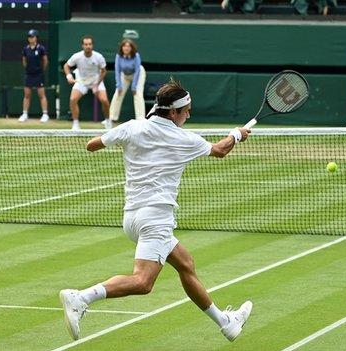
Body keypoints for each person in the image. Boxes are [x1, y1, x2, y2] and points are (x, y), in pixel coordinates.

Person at [59, 78, 253, 342]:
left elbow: (92, 145)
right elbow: (220, 150)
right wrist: (237, 135)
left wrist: (130, 143)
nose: (189, 114)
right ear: (173, 112)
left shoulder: (133, 127)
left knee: (186, 265)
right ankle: (80, 297)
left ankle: (226, 323)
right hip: (156, 218)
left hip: (132, 218)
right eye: (186, 110)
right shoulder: (184, 138)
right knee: (143, 282)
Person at [63, 35, 111, 131]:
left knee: (105, 101)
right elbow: (66, 66)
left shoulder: (98, 57)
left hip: (96, 81)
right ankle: (75, 124)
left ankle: (108, 121)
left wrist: (97, 84)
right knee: (73, 99)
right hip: (81, 81)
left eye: (89, 44)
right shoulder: (77, 56)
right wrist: (69, 76)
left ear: (92, 45)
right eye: (86, 44)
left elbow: (104, 71)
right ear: (82, 46)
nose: (88, 46)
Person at [108, 39, 146, 122]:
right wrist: (119, 85)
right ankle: (112, 117)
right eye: (124, 46)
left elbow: (137, 71)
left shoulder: (136, 55)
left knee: (138, 94)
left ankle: (140, 119)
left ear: (132, 48)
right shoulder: (118, 56)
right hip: (124, 75)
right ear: (121, 48)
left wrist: (134, 86)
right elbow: (117, 71)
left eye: (128, 46)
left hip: (138, 74)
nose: (126, 48)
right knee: (118, 93)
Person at [18, 29, 49, 123]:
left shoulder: (41, 48)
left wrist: (40, 70)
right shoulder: (25, 49)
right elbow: (24, 61)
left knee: (41, 95)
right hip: (29, 74)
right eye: (29, 37)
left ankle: (45, 114)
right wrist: (28, 69)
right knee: (27, 95)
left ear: (36, 38)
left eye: (32, 37)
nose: (30, 39)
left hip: (39, 74)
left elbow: (45, 61)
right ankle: (25, 114)